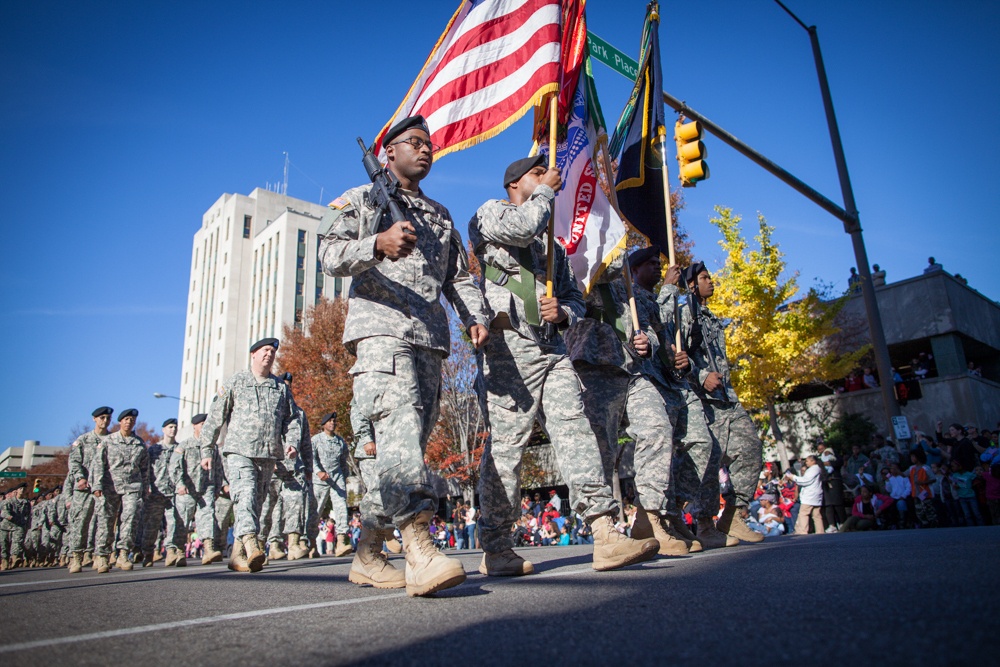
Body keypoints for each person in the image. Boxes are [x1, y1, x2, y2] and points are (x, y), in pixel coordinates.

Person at [319, 115, 488, 597]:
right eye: (414, 142)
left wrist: (473, 317)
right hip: (381, 334)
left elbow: (456, 275)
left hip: (430, 340)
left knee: (405, 449)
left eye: (429, 144)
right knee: (396, 439)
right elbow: (327, 255)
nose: (426, 149)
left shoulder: (438, 214)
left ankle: (369, 552)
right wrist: (377, 243)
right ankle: (418, 548)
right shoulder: (362, 199)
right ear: (387, 152)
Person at [469, 154, 659, 578]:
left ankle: (604, 531)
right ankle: (497, 544)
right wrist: (547, 191)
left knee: (576, 429)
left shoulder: (552, 249)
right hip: (508, 349)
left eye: (546, 174)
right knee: (507, 449)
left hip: (552, 350)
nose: (547, 178)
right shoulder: (490, 214)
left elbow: (575, 297)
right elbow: (522, 227)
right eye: (537, 174)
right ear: (514, 183)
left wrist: (565, 315)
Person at [565, 248, 693, 557]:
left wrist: (644, 340)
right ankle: (605, 531)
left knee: (658, 430)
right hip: (595, 365)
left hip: (634, 369)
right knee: (601, 451)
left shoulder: (628, 288)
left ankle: (650, 519)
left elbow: (646, 324)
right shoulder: (575, 273)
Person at [634, 248, 730, 551]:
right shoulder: (636, 296)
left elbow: (672, 337)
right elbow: (653, 323)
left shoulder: (671, 299)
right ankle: (658, 519)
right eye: (650, 264)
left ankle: (675, 509)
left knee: (704, 444)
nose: (657, 268)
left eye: (658, 264)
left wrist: (684, 360)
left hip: (675, 382)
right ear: (635, 270)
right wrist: (669, 288)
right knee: (662, 449)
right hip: (652, 382)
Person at [680, 261, 765, 544]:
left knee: (750, 446)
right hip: (702, 399)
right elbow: (675, 352)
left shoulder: (711, 317)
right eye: (705, 278)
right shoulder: (684, 313)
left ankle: (733, 515)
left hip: (726, 398)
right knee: (710, 459)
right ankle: (704, 524)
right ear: (692, 284)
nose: (711, 282)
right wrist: (701, 375)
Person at [198, 337, 302, 573]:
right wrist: (207, 450)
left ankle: (237, 555)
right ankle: (252, 543)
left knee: (255, 503)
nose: (269, 354)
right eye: (265, 350)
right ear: (253, 354)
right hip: (238, 451)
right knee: (244, 495)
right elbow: (215, 416)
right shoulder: (237, 381)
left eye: (273, 352)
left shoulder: (280, 388)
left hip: (267, 455)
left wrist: (292, 443)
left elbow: (293, 419)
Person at [93, 408, 149, 572]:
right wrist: (97, 485)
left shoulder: (139, 443)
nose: (129, 422)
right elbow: (98, 465)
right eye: (126, 419)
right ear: (120, 422)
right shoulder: (108, 441)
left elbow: (145, 468)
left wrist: (145, 488)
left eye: (132, 420)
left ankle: (124, 554)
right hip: (111, 486)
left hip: (132, 486)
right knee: (106, 521)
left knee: (130, 518)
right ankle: (102, 556)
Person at [171, 413, 223, 566]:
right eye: (202, 424)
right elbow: (175, 466)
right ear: (194, 426)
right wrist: (179, 484)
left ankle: (208, 550)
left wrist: (217, 487)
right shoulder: (184, 445)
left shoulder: (212, 447)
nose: (204, 427)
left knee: (207, 517)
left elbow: (218, 468)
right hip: (187, 489)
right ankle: (179, 551)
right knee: (182, 521)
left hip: (206, 487)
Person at [66, 406, 112, 573]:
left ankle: (100, 557)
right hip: (84, 489)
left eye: (107, 418)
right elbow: (74, 461)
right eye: (102, 418)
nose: (105, 421)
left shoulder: (112, 440)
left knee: (104, 523)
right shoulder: (83, 439)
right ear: (94, 419)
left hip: (105, 488)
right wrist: (80, 478)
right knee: (81, 523)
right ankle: (76, 557)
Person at [309, 410, 352, 558]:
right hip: (320, 480)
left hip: (336, 478)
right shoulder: (316, 440)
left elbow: (344, 461)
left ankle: (342, 540)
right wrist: (318, 472)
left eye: (334, 421)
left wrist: (344, 476)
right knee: (316, 511)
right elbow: (311, 458)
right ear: (323, 424)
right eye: (329, 421)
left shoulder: (340, 441)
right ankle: (311, 543)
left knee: (341, 508)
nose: (332, 423)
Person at [139, 418, 178, 567]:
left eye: (174, 427)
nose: (172, 430)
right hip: (156, 493)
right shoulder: (154, 449)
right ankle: (148, 553)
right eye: (170, 427)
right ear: (163, 429)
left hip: (173, 493)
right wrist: (146, 486)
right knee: (152, 526)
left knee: (174, 523)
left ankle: (171, 552)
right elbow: (146, 469)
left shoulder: (180, 449)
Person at [787, 455, 824, 535]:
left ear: (813, 461)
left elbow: (806, 481)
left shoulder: (813, 469)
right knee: (816, 515)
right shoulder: (816, 469)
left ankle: (802, 531)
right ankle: (820, 531)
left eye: (807, 461)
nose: (806, 462)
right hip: (815, 495)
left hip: (810, 495)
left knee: (803, 513)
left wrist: (793, 477)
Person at [0, 484, 31, 569]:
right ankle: (5, 560)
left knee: (17, 542)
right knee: (4, 544)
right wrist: (8, 516)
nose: (22, 490)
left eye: (24, 489)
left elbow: (28, 515)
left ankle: (15, 558)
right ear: (16, 491)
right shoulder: (9, 501)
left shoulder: (26, 503)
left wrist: (27, 525)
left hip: (19, 525)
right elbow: (4, 512)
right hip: (6, 526)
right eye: (20, 488)